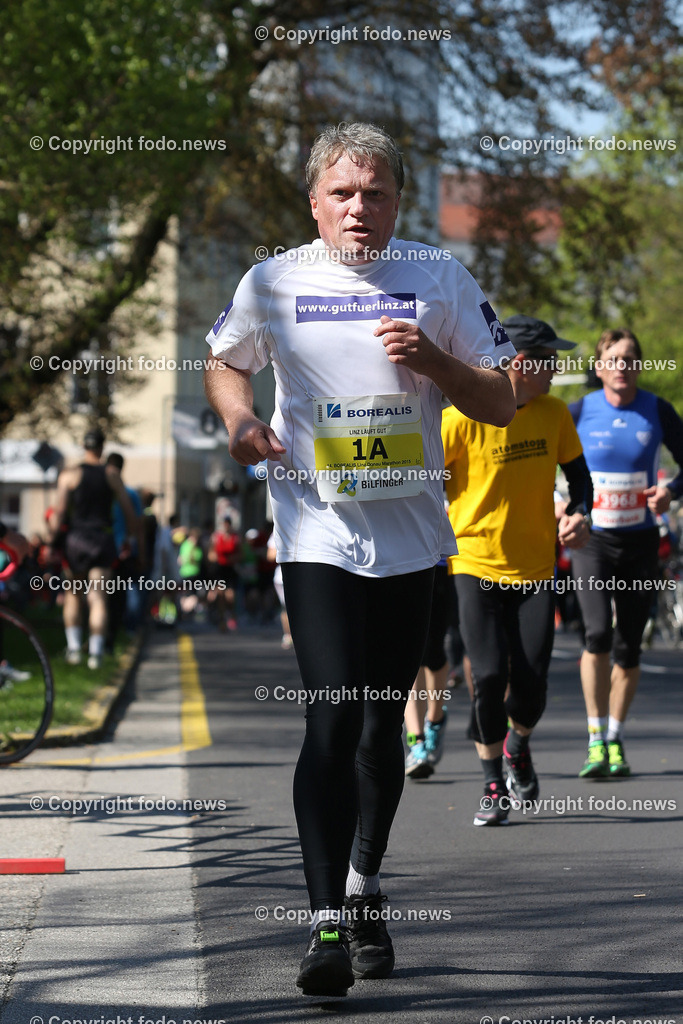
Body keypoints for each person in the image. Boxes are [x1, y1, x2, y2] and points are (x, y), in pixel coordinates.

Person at [204, 121, 516, 996]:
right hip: (314, 532)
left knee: (382, 725)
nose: (357, 209)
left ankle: (364, 884)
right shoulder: (274, 279)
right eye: (341, 193)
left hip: (412, 538)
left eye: (374, 193)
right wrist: (237, 423)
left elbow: (497, 404)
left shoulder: (439, 278)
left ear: (397, 201)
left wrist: (440, 366)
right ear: (313, 202)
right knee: (332, 717)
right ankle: (326, 927)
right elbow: (223, 362)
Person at [443, 315, 593, 825]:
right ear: (524, 363)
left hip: (535, 569)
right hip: (473, 563)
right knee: (486, 675)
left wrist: (580, 514)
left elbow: (581, 481)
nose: (557, 370)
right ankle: (491, 782)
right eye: (551, 360)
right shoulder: (460, 417)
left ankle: (516, 746)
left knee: (530, 685)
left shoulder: (553, 412)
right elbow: (426, 486)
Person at [570, 329, 683, 778]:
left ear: (639, 365)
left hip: (639, 541)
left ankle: (614, 737)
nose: (621, 366)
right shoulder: (579, 411)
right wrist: (565, 505)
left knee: (629, 644)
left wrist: (670, 491)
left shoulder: (657, 410)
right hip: (592, 540)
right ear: (599, 367)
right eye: (612, 359)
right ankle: (595, 737)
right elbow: (552, 465)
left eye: (630, 359)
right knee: (597, 634)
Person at [49, 429, 138, 669]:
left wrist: (52, 542)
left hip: (76, 540)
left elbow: (59, 513)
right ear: (102, 446)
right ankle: (96, 654)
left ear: (82, 445)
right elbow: (130, 514)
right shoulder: (111, 474)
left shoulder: (69, 475)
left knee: (73, 596)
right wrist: (129, 538)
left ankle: (74, 649)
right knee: (98, 598)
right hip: (101, 539)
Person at [403, 560, 453, 778]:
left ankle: (435, 719)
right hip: (397, 561)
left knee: (433, 651)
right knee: (409, 650)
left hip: (439, 560)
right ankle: (417, 740)